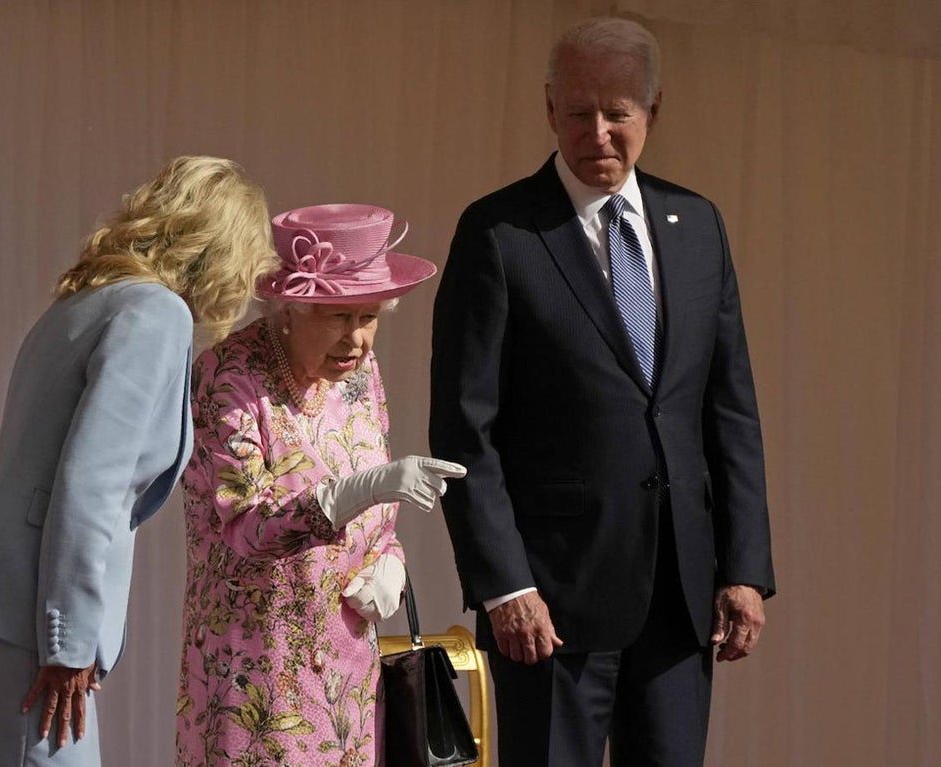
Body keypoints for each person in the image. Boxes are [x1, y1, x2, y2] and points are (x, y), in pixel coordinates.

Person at [429, 17, 776, 767]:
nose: (599, 131)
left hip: (680, 599)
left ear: (654, 110)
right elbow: (465, 430)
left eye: (618, 111)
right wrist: (504, 583)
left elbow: (730, 409)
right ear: (548, 108)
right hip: (550, 605)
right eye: (579, 110)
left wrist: (744, 568)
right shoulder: (501, 234)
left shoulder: (697, 228)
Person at [0, 155, 279, 766]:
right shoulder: (156, 314)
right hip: (26, 607)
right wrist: (69, 641)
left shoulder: (90, 300)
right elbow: (90, 486)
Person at [175, 203, 465, 766]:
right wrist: (360, 490)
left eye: (369, 316)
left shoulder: (360, 376)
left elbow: (379, 518)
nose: (356, 339)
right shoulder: (228, 377)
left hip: (347, 665)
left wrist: (391, 559)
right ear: (289, 308)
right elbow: (245, 531)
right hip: (256, 670)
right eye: (337, 316)